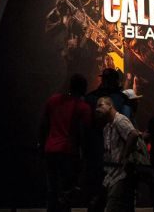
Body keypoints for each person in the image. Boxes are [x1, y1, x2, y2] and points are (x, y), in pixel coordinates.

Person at [46, 0, 113, 81]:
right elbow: (49, 28)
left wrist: (107, 40)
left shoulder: (101, 2)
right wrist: (66, 22)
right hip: (70, 63)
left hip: (94, 64)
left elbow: (113, 35)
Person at [41, 74, 92, 212]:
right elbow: (84, 133)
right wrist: (84, 156)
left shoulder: (53, 100)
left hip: (50, 149)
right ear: (83, 88)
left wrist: (42, 144)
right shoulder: (83, 107)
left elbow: (44, 124)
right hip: (68, 152)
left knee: (52, 189)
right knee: (67, 191)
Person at [91, 95, 141, 212]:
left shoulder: (120, 120)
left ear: (110, 106)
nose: (97, 109)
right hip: (112, 174)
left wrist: (124, 156)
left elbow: (133, 134)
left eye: (100, 105)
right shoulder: (107, 127)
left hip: (121, 174)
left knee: (113, 206)